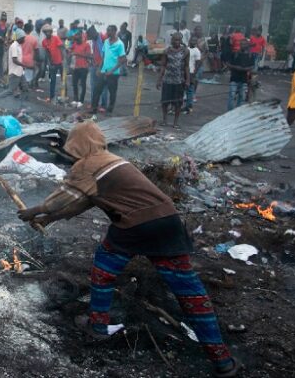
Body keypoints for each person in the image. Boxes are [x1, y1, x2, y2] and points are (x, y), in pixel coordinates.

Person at [17, 122, 240, 378]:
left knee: (103, 268)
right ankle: (222, 360)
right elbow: (85, 201)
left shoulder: (87, 164)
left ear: (79, 145)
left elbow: (63, 197)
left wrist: (34, 211)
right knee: (189, 291)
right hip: (168, 223)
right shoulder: (112, 160)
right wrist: (50, 219)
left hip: (134, 225)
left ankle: (98, 325)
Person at [91, 25, 127, 115]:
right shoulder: (106, 42)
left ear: (115, 31)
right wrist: (99, 68)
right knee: (97, 90)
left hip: (113, 73)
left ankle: (109, 110)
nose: (107, 32)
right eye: (107, 30)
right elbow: (103, 56)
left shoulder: (120, 44)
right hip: (104, 71)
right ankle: (94, 108)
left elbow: (123, 59)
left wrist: (112, 71)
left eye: (109, 31)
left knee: (112, 92)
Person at [158, 34, 190, 128]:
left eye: (178, 40)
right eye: (175, 40)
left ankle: (175, 122)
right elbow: (163, 65)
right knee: (165, 102)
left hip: (179, 81)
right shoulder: (166, 51)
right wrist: (159, 79)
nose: (176, 42)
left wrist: (188, 80)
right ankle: (164, 120)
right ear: (172, 41)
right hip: (168, 80)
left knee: (178, 102)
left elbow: (186, 66)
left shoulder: (185, 51)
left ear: (181, 41)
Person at [226, 40, 254, 111]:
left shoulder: (250, 55)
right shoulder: (235, 54)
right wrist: (236, 67)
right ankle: (230, 112)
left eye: (244, 44)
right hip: (234, 78)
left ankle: (238, 111)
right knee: (232, 95)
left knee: (242, 97)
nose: (243, 46)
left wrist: (244, 69)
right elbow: (228, 64)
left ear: (247, 45)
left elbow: (252, 67)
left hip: (244, 79)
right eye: (241, 44)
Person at [42, 24, 64, 102]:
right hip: (53, 63)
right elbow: (47, 52)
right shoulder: (44, 42)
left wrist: (63, 60)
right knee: (52, 80)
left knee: (63, 79)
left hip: (60, 62)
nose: (47, 33)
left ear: (51, 32)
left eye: (49, 32)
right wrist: (50, 63)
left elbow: (61, 48)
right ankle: (52, 96)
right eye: (46, 32)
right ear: (44, 33)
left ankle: (64, 95)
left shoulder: (56, 38)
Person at [70, 32, 91, 105]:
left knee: (82, 84)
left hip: (84, 67)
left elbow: (88, 56)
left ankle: (81, 101)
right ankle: (75, 99)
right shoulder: (75, 44)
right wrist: (69, 51)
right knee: (74, 83)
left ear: (81, 39)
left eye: (78, 40)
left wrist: (77, 54)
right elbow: (70, 50)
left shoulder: (86, 45)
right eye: (76, 40)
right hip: (76, 67)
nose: (76, 42)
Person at [184, 37, 202, 114]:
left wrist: (194, 74)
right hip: (184, 71)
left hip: (191, 72)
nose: (193, 42)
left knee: (190, 90)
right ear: (189, 41)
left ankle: (189, 106)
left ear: (196, 42)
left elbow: (198, 63)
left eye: (194, 41)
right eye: (192, 40)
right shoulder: (185, 49)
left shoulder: (197, 51)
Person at [7, 28, 27, 97]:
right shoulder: (14, 46)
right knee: (10, 91)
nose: (24, 40)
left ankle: (22, 104)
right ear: (19, 38)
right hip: (14, 72)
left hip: (19, 71)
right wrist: (23, 65)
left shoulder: (18, 46)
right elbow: (14, 60)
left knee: (25, 88)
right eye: (23, 38)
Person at [19, 22, 39, 91]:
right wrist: (36, 60)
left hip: (20, 59)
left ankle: (21, 85)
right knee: (33, 72)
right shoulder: (33, 39)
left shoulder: (20, 37)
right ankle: (27, 85)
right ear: (31, 29)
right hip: (29, 60)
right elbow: (37, 51)